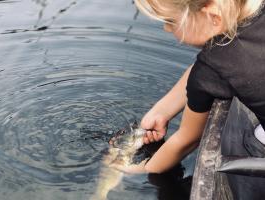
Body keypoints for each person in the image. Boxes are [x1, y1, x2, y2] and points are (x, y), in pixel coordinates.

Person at [113, 0, 265, 175]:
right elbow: (210, 69)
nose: (167, 29)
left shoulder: (213, 68)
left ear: (213, 16)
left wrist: (142, 168)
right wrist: (162, 110)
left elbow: (187, 139)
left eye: (171, 22)